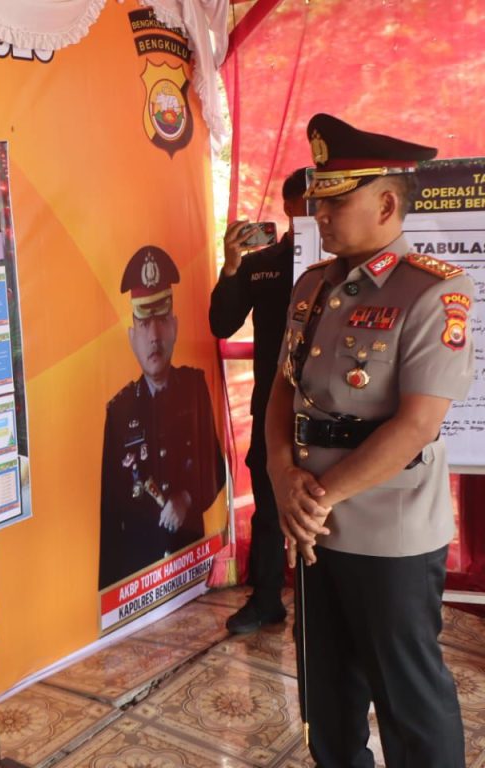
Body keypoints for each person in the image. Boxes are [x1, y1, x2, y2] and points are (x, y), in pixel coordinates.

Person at [266, 114, 472, 767]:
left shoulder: (434, 290)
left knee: (408, 697)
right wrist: (281, 475)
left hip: (390, 528)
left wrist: (315, 497)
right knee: (325, 689)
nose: (319, 214)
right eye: (318, 199)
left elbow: (417, 425)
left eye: (335, 200)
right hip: (315, 524)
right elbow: (282, 392)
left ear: (386, 204)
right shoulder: (312, 285)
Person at [209, 167, 308, 634]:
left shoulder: (351, 262)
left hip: (337, 407)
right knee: (269, 504)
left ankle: (332, 605)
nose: (320, 211)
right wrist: (231, 266)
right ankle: (266, 598)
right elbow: (222, 324)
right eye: (309, 202)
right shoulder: (262, 263)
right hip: (274, 403)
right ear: (288, 207)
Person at [99, 245, 226, 589]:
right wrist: (111, 592)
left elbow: (216, 467)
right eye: (143, 324)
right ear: (131, 337)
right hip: (140, 571)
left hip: (189, 557)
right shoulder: (119, 410)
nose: (154, 336)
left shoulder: (194, 387)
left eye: (161, 321)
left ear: (175, 327)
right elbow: (110, 515)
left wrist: (186, 498)